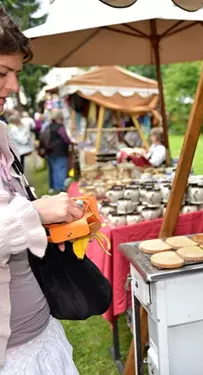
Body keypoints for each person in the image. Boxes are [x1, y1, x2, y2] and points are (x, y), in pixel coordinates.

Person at [0, 7, 82, 374]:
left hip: (37, 334)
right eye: (3, 73)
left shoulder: (2, 137)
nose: (15, 86)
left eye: (15, 74)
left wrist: (50, 227)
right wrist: (37, 214)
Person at [43, 109, 71, 193]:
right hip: (60, 151)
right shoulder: (60, 127)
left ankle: (54, 188)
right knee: (61, 170)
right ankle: (61, 188)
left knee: (54, 170)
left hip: (50, 151)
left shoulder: (48, 126)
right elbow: (66, 139)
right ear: (59, 117)